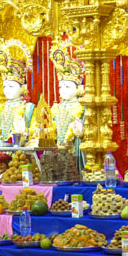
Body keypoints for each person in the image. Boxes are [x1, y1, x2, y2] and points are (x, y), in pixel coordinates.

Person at [0, 39, 36, 144]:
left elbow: (37, 130)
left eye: (11, 86)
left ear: (22, 88)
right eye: (5, 86)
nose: (7, 90)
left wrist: (25, 131)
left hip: (20, 150)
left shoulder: (29, 108)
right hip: (1, 149)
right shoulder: (1, 108)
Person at [48, 35, 86, 168]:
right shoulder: (56, 108)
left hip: (75, 152)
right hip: (57, 153)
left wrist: (82, 133)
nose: (63, 90)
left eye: (67, 87)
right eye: (60, 87)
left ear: (78, 88)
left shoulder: (83, 107)